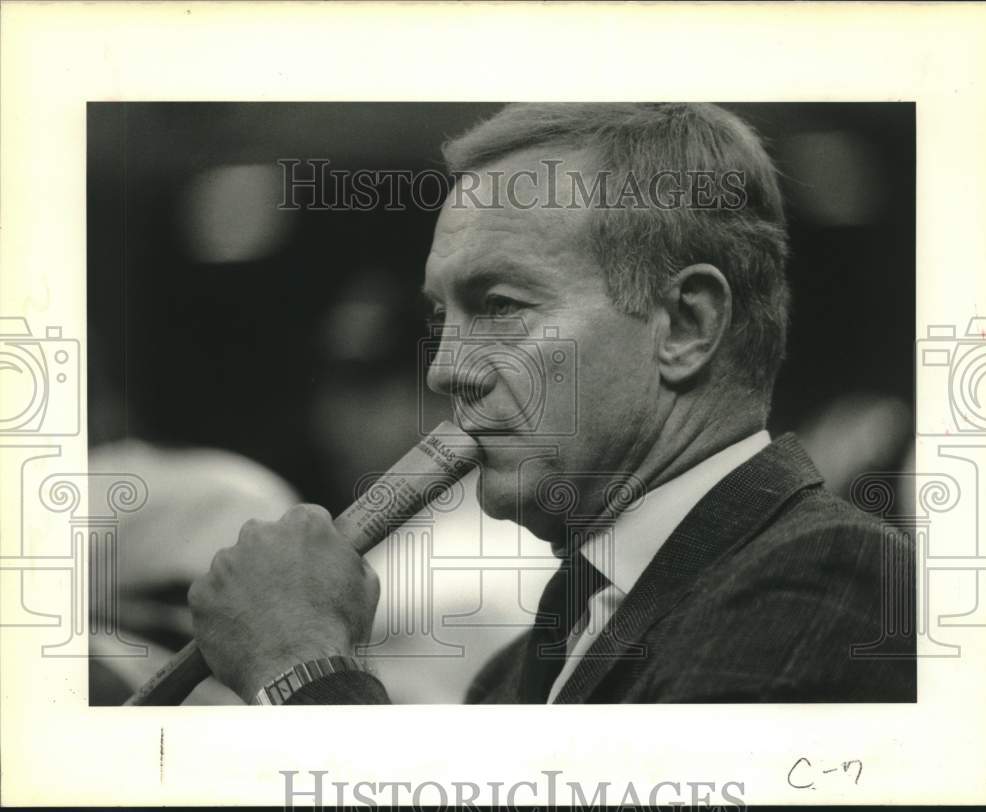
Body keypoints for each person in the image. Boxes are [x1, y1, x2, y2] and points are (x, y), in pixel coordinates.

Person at [188, 103, 915, 704]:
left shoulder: (830, 576)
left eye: (499, 305)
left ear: (687, 325)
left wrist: (304, 668)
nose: (444, 370)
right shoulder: (512, 674)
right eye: (442, 320)